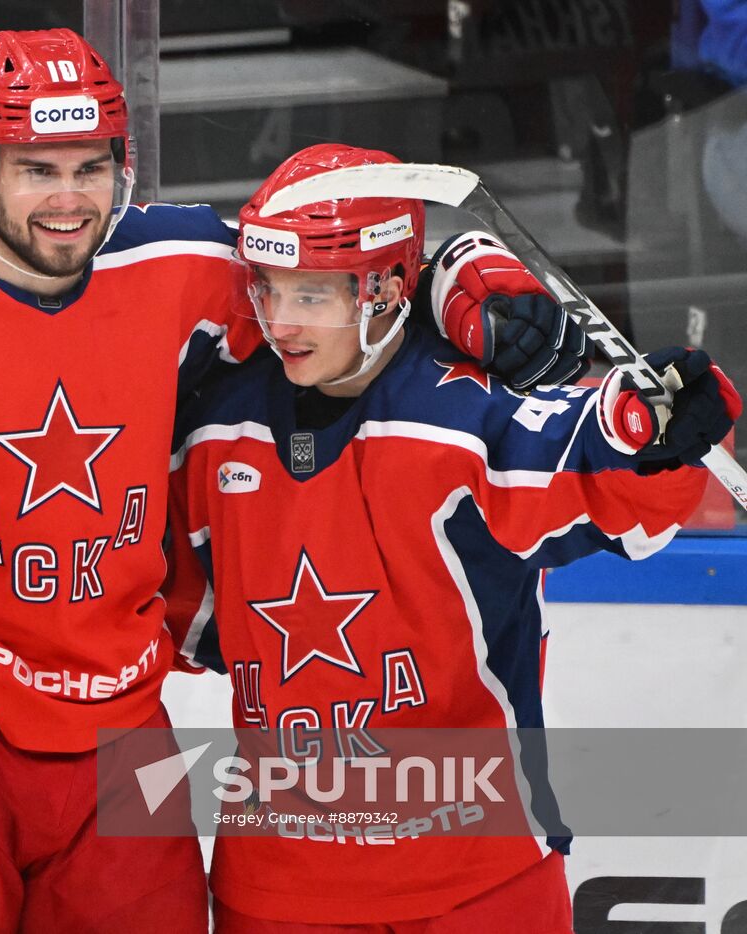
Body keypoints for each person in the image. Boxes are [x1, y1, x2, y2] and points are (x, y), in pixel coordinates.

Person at [0, 28, 594, 933]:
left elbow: (349, 260)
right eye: (36, 169)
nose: (68, 199)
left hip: (126, 731)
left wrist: (466, 278)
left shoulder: (182, 263)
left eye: (91, 167)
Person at [164, 143, 741, 933]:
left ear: (390, 285)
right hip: (281, 888)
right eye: (267, 286)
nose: (283, 319)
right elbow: (166, 609)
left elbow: (591, 464)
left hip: (483, 879)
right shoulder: (213, 432)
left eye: (314, 293)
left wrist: (657, 432)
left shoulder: (465, 418)